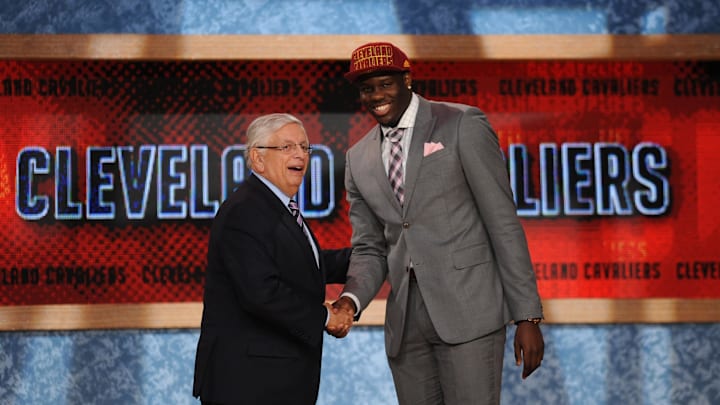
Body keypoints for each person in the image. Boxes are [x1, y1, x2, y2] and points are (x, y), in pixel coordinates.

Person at [333, 42, 545, 405]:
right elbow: (370, 248)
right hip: (405, 324)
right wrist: (351, 300)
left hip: (470, 310)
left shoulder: (462, 122)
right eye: (367, 89)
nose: (376, 96)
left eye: (385, 84)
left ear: (407, 78)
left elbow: (502, 222)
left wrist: (527, 315)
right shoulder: (358, 158)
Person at [193, 113, 353, 405]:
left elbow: (303, 266)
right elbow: (261, 292)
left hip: (275, 379)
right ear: (258, 159)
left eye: (305, 147)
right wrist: (327, 317)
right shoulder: (244, 211)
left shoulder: (275, 207)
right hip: (249, 382)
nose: (300, 155)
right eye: (287, 147)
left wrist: (367, 257)